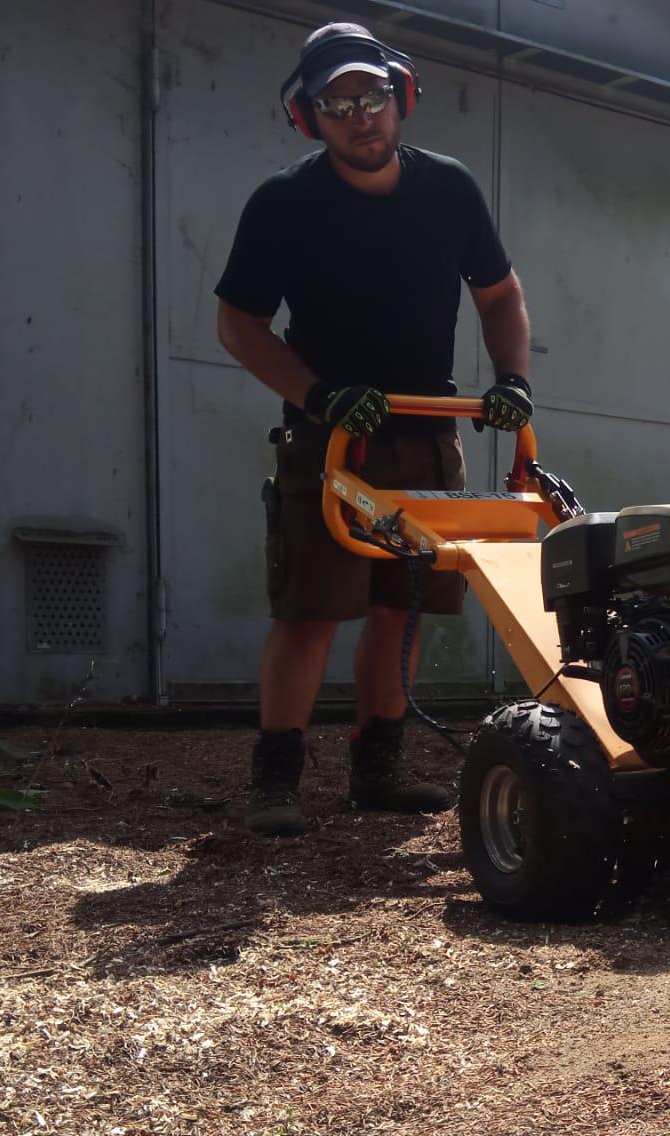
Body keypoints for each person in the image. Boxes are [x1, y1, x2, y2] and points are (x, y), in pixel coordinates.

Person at [214, 21, 533, 836]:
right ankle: (277, 779)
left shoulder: (451, 190)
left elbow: (499, 295)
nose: (362, 116)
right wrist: (319, 396)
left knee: (403, 608)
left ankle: (377, 768)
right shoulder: (283, 204)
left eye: (374, 96)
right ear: (308, 117)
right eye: (340, 103)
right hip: (328, 442)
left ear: (404, 97)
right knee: (311, 613)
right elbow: (239, 323)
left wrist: (513, 382)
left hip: (428, 432)